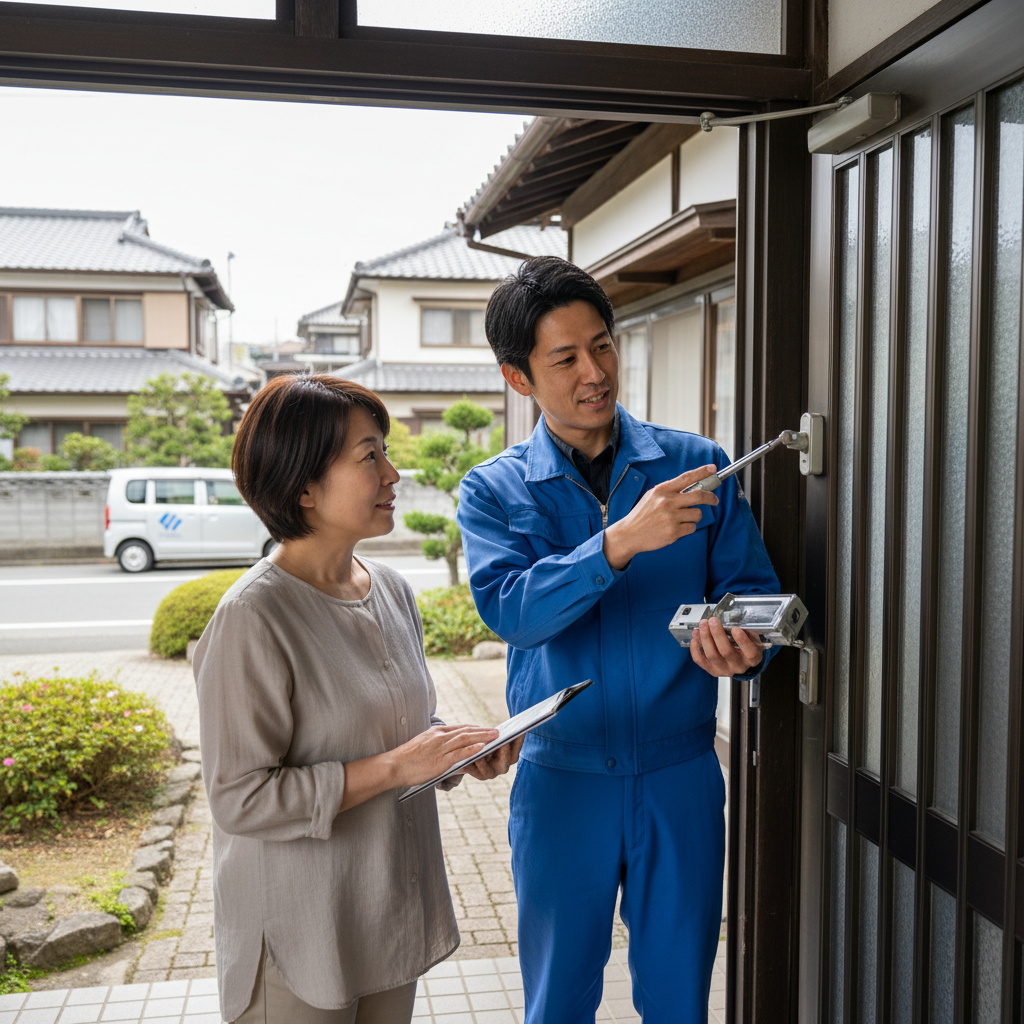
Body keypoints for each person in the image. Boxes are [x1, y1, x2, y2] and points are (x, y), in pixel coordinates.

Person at [456, 257, 781, 1024]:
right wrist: (616, 543)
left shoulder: (698, 467)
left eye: (601, 345)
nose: (593, 372)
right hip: (562, 781)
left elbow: (751, 592)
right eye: (564, 357)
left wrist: (746, 641)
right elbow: (509, 610)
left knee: (679, 1005)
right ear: (519, 378)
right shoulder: (493, 490)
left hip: (681, 775)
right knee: (558, 1003)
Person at [193, 374, 521, 1024]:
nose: (393, 472)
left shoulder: (391, 589)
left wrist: (450, 754)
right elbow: (239, 797)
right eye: (369, 456)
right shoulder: (253, 617)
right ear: (303, 486)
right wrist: (401, 767)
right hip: (297, 936)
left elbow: (397, 733)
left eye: (385, 452)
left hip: (384, 914)